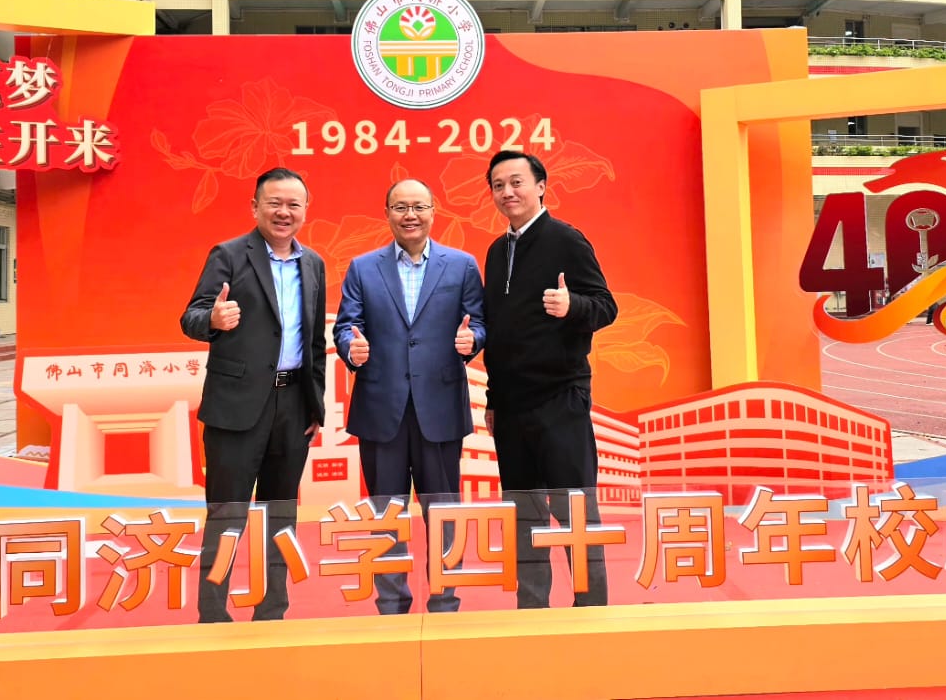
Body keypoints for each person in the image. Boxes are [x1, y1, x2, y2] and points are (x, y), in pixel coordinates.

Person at [333, 178, 487, 615]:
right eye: (400, 207)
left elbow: (479, 323)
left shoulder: (461, 266)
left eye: (419, 206)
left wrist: (472, 340)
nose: (410, 215)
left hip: (440, 406)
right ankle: (391, 605)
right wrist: (350, 347)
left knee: (444, 515)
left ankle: (446, 601)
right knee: (386, 514)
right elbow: (346, 326)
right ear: (387, 214)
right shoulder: (363, 267)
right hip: (381, 407)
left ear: (433, 211)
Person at [180, 167, 327, 623]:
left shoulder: (313, 263)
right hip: (236, 408)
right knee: (227, 515)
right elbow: (191, 316)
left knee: (281, 516)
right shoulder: (228, 255)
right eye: (274, 203)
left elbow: (314, 341)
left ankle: (272, 609)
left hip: (293, 406)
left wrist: (315, 405)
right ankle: (212, 613)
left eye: (293, 204)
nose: (284, 212)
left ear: (305, 210)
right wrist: (213, 319)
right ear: (255, 207)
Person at [481, 150, 618, 609]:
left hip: (560, 399)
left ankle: (590, 610)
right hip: (511, 405)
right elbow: (499, 332)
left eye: (517, 182)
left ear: (541, 186)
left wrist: (571, 306)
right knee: (524, 515)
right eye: (498, 185)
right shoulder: (497, 252)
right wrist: (493, 398)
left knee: (574, 508)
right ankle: (533, 610)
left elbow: (606, 306)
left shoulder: (566, 240)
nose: (508, 192)